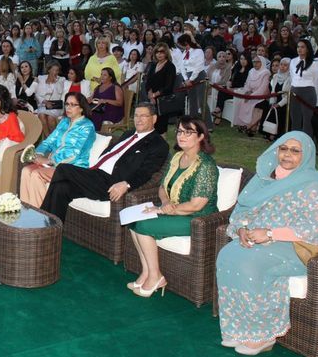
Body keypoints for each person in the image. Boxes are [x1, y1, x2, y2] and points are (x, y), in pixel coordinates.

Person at [216, 132, 318, 356]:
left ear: (306, 154)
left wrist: (270, 234)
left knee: (250, 262)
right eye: (283, 149)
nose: (287, 155)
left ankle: (262, 335)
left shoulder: (314, 183)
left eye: (295, 151)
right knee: (227, 254)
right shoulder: (264, 178)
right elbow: (243, 210)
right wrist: (242, 229)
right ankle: (239, 328)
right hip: (260, 238)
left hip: (296, 245)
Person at [127, 116, 219, 297]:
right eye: (179, 131)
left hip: (197, 219)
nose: (181, 136)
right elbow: (162, 187)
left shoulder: (206, 166)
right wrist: (165, 203)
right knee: (132, 217)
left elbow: (196, 204)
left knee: (143, 225)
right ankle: (147, 272)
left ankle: (156, 277)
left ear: (201, 136)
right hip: (175, 210)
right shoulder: (177, 157)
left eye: (188, 132)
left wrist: (164, 210)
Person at [40, 103, 170, 221]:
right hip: (95, 174)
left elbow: (146, 172)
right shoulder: (128, 134)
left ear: (154, 119)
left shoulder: (158, 144)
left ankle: (42, 220)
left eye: (143, 116)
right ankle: (51, 229)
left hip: (111, 182)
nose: (138, 119)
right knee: (61, 188)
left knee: (63, 169)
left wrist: (127, 184)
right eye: (136, 115)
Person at [20, 91, 95, 209]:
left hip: (73, 168)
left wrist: (50, 161)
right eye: (67, 104)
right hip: (54, 165)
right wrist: (38, 154)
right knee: (26, 171)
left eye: (73, 105)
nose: (68, 108)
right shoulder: (64, 122)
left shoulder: (87, 126)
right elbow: (49, 141)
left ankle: (41, 216)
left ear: (81, 108)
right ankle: (26, 211)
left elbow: (74, 154)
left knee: (36, 174)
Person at [288, 40, 318, 137]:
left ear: (307, 49)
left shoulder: (314, 63)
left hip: (308, 91)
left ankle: (306, 141)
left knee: (307, 119)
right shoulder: (293, 61)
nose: (299, 49)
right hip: (295, 90)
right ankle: (294, 139)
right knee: (295, 118)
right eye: (298, 47)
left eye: (302, 47)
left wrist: (313, 94)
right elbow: (292, 76)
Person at [233, 54, 271, 136]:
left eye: (257, 62)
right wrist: (247, 92)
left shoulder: (266, 73)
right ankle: (244, 125)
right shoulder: (251, 71)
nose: (255, 64)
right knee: (242, 102)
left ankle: (249, 126)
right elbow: (247, 84)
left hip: (261, 97)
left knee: (256, 105)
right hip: (250, 95)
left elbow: (262, 89)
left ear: (262, 62)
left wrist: (251, 96)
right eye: (254, 62)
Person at [144, 43, 176, 135]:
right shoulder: (153, 65)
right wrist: (151, 95)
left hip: (163, 100)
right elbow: (148, 82)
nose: (159, 54)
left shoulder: (170, 66)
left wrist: (155, 95)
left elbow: (168, 86)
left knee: (161, 127)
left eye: (162, 52)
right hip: (151, 99)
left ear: (166, 53)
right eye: (157, 52)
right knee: (150, 125)